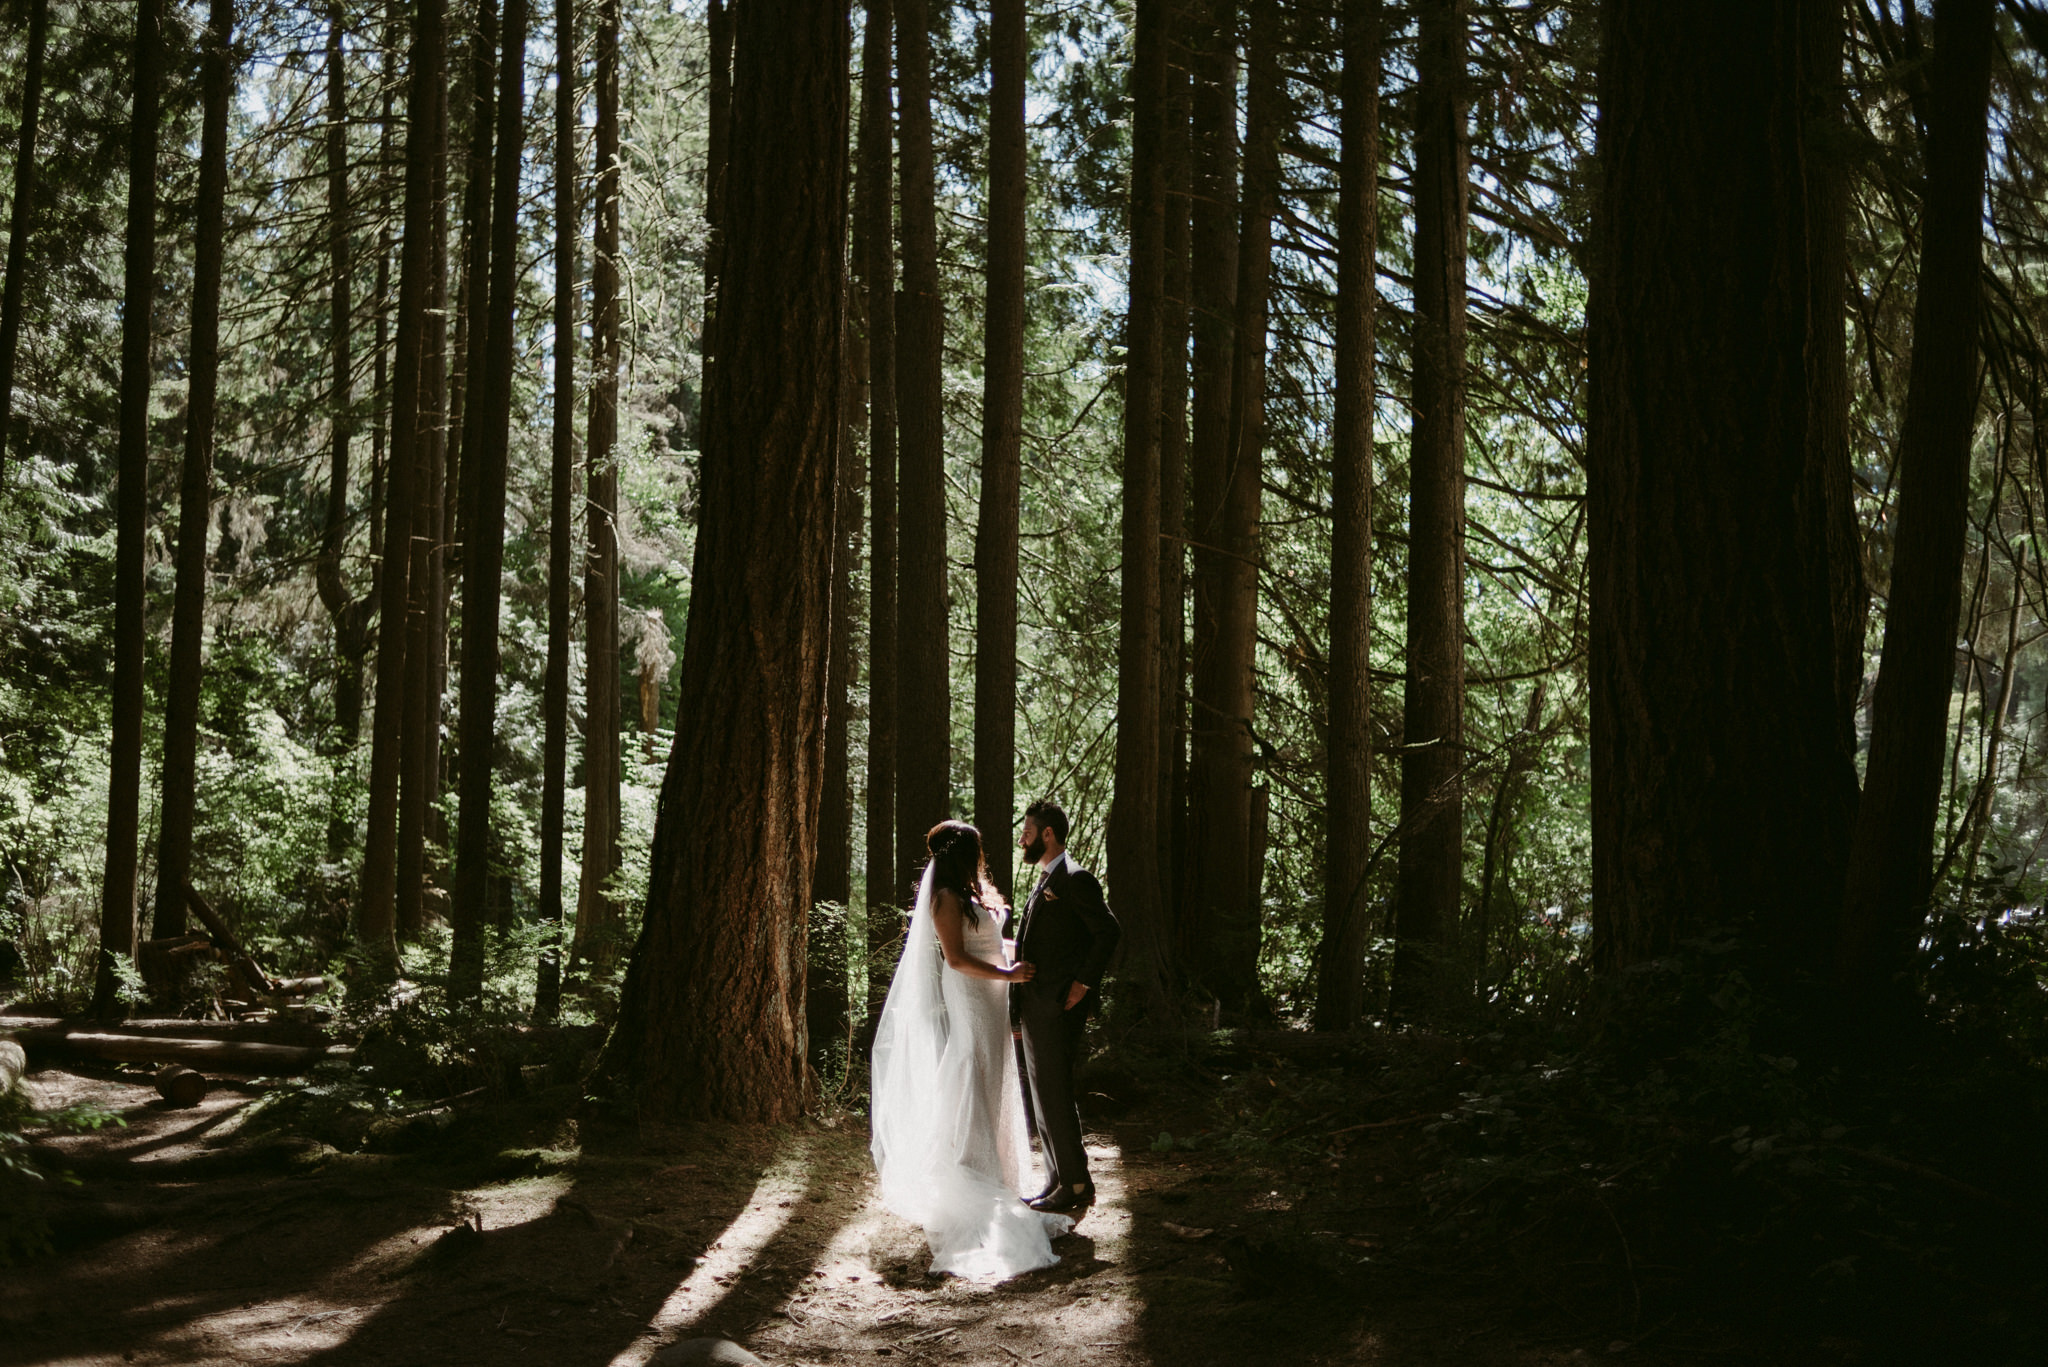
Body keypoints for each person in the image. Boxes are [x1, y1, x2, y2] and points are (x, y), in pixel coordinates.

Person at [870, 821, 1074, 1280]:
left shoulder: (973, 894)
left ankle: (998, 1172)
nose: (983, 856)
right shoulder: (944, 899)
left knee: (995, 1074)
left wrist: (1012, 959)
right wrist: (1008, 976)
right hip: (971, 995)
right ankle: (970, 1168)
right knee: (972, 1070)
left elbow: (988, 941)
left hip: (994, 998)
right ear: (964, 854)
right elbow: (958, 958)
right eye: (977, 850)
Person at [1011, 798, 1121, 1217]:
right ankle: (1058, 1179)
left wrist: (1083, 983)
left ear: (1048, 834)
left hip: (1060, 1004)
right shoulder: (1045, 880)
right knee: (1043, 1096)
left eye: (1027, 832)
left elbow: (1108, 930)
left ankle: (1077, 1183)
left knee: (1056, 1093)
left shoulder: (1075, 879)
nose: (1022, 839)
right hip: (1037, 1005)